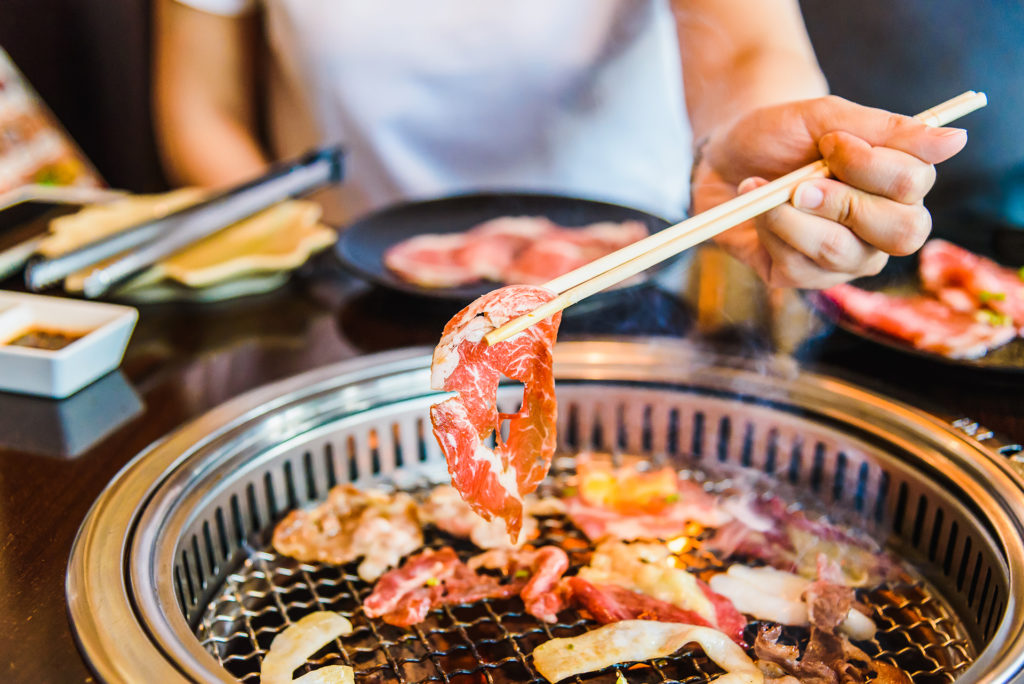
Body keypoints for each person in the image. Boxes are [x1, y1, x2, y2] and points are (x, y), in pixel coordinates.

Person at [153, 0, 967, 290]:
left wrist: (765, 147)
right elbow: (199, 108)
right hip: (350, 294)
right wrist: (303, 257)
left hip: (635, 286)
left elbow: (748, 45)